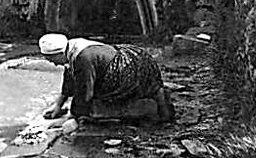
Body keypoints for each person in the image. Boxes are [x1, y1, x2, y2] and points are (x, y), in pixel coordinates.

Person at [39, 34, 174, 123]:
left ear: (59, 53)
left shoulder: (82, 58)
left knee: (95, 104)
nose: (54, 64)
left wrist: (73, 116)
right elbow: (69, 79)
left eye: (52, 60)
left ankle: (154, 105)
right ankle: (158, 96)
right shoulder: (71, 47)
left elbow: (85, 91)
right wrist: (58, 106)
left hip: (128, 68)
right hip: (135, 57)